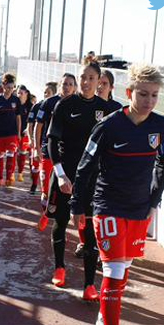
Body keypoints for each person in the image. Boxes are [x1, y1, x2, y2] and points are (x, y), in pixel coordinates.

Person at [69, 64, 164, 325]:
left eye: (154, 95)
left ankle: (103, 319)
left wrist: (154, 200)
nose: (149, 101)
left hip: (139, 210)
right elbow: (85, 166)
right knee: (113, 275)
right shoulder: (108, 126)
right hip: (108, 208)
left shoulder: (161, 126)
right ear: (129, 92)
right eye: (143, 94)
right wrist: (77, 206)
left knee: (123, 271)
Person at [45, 63, 113, 301]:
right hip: (66, 175)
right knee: (62, 221)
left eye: (91, 78)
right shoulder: (65, 105)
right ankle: (59, 268)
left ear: (98, 81)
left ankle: (88, 285)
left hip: (92, 181)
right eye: (83, 77)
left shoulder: (107, 110)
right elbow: (52, 141)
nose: (86, 82)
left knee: (91, 229)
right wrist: (60, 174)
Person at [74, 71, 123, 259]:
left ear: (111, 88)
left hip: (106, 169)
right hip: (86, 165)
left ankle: (100, 248)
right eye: (99, 82)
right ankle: (83, 242)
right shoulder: (85, 104)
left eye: (105, 83)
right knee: (84, 207)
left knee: (101, 210)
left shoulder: (117, 110)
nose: (101, 86)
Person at [34, 76, 75, 231]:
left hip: (67, 155)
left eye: (70, 84)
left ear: (74, 87)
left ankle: (49, 215)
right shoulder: (49, 102)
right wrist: (36, 148)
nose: (67, 87)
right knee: (46, 190)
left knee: (65, 191)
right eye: (64, 84)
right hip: (48, 152)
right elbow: (38, 127)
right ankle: (46, 212)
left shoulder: (77, 104)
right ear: (59, 85)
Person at [0, 73, 21, 186]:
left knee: (11, 154)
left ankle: (8, 178)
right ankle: (0, 178)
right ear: (3, 86)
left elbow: (18, 118)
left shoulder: (16, 100)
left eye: (12, 88)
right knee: (0, 155)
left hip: (12, 133)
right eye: (8, 87)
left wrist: (19, 132)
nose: (10, 90)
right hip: (0, 133)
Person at [15, 85, 34, 183]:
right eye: (18, 93)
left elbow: (32, 120)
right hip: (14, 132)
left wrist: (28, 129)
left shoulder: (30, 106)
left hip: (25, 133)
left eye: (21, 93)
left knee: (23, 152)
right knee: (13, 153)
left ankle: (21, 173)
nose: (19, 95)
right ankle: (12, 173)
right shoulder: (14, 103)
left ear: (26, 93)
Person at [26, 93, 43, 194]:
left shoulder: (58, 105)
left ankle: (44, 188)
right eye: (45, 92)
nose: (46, 95)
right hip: (37, 141)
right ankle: (34, 185)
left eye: (48, 92)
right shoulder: (36, 107)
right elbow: (30, 124)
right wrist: (31, 139)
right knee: (35, 165)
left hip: (48, 142)